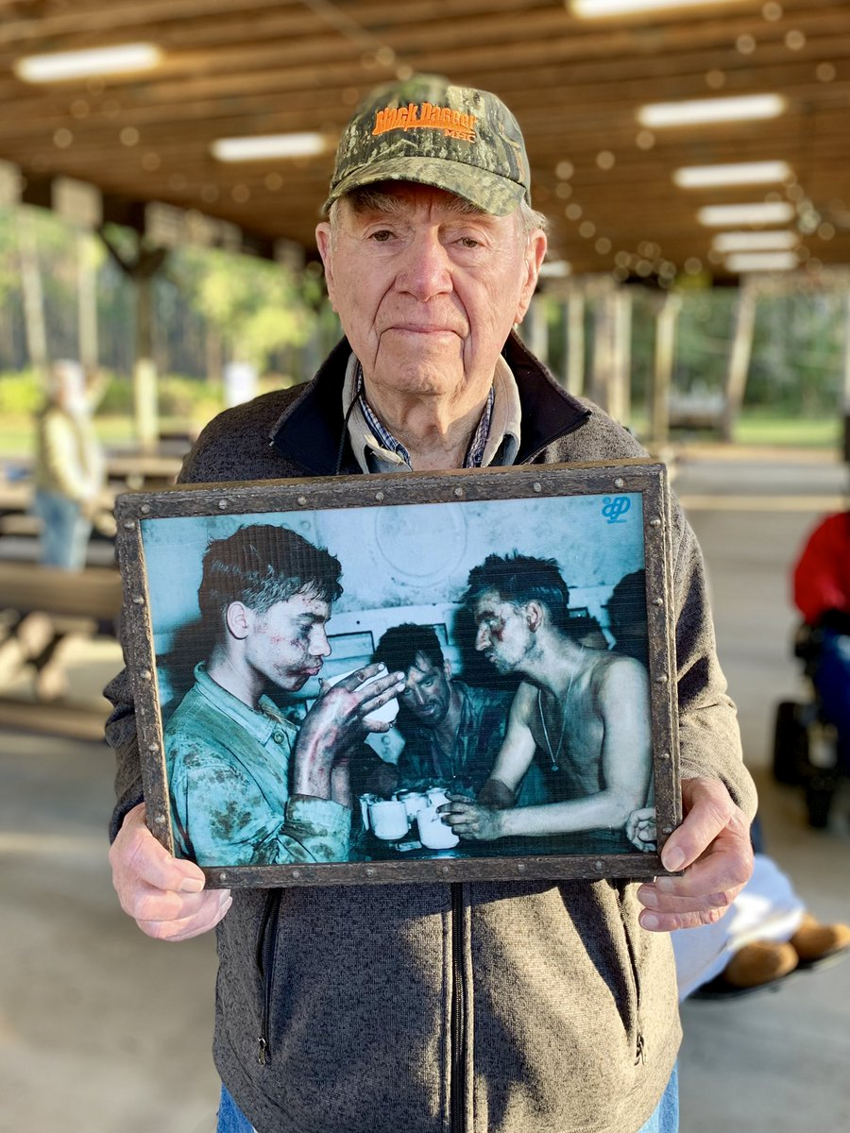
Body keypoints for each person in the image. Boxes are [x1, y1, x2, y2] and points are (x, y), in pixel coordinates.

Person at [106, 75, 756, 1133]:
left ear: (527, 264)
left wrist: (713, 785)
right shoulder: (235, 462)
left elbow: (698, 693)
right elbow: (145, 701)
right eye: (383, 233)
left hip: (582, 1084)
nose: (424, 277)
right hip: (312, 1085)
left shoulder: (610, 468)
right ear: (326, 255)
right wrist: (141, 811)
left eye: (466, 237)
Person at [165, 523, 404, 866]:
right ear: (241, 620)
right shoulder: (197, 756)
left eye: (324, 628)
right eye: (306, 626)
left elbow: (343, 855)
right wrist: (317, 746)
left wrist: (340, 755)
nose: (324, 647)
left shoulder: (262, 711)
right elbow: (299, 891)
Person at [443, 553, 651, 853]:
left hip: (642, 856)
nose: (480, 642)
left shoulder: (618, 677)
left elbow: (622, 804)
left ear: (532, 615)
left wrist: (499, 823)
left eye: (490, 623)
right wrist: (481, 813)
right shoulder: (528, 696)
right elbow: (502, 782)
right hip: (588, 851)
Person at [367, 621, 548, 804]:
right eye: (406, 691)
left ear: (446, 670)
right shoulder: (417, 744)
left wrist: (399, 783)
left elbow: (484, 793)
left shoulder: (501, 711)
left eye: (427, 683)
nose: (421, 700)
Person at [32, 358, 105, 570]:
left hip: (67, 497)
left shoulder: (71, 413)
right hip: (64, 499)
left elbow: (87, 400)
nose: (78, 390)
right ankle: (56, 601)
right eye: (74, 385)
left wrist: (96, 382)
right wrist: (83, 493)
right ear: (59, 389)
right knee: (63, 562)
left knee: (65, 558)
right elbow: (60, 466)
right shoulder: (55, 420)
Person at [792, 509, 850, 773]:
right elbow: (815, 577)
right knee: (836, 660)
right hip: (841, 628)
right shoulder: (835, 528)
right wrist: (831, 610)